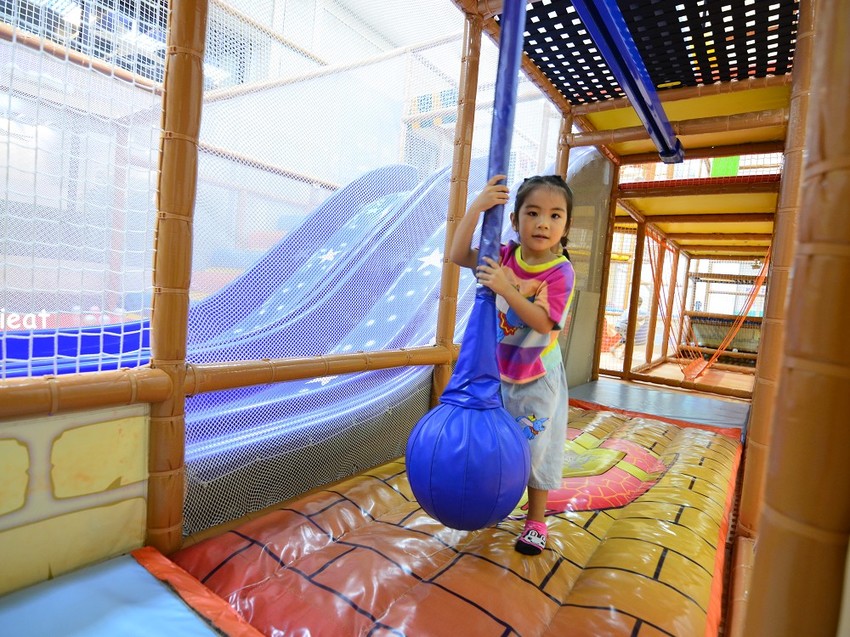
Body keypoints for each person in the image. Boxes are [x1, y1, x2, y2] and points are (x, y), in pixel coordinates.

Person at [450, 173, 575, 555]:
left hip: (537, 376)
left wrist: (506, 288)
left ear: (566, 225)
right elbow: (458, 254)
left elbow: (543, 321)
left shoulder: (560, 272)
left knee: (535, 448)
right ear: (515, 219)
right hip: (498, 372)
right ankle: (495, 503)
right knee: (495, 445)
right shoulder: (504, 256)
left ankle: (536, 521)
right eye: (533, 212)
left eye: (555, 216)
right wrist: (477, 207)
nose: (543, 223)